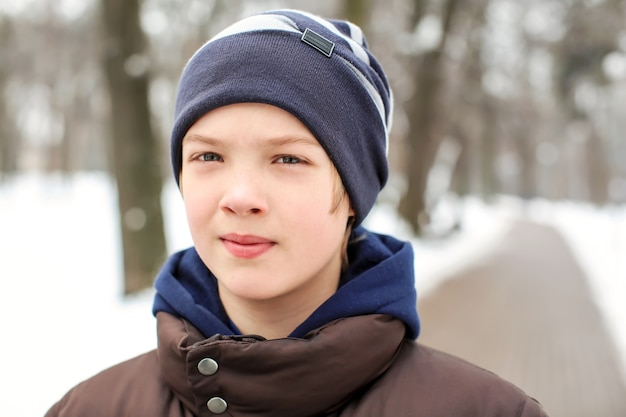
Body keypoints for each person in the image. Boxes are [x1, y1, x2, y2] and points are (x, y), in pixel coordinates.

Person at [46, 9, 548, 417]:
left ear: (354, 192)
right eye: (208, 157)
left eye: (288, 158)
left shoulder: (486, 411)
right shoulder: (88, 409)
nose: (240, 197)